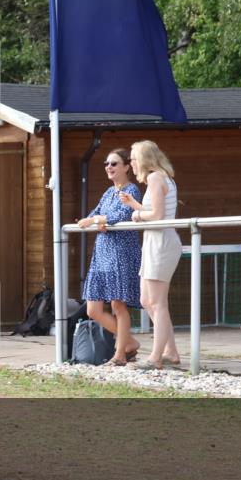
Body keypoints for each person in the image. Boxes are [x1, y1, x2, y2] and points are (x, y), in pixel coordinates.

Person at [76, 148, 143, 366]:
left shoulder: (131, 190)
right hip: (102, 253)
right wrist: (97, 220)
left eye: (114, 163)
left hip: (121, 252)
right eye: (107, 163)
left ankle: (120, 354)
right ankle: (130, 342)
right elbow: (93, 215)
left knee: (118, 305)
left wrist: (98, 220)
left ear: (126, 167)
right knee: (92, 309)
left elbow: (121, 216)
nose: (109, 167)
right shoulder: (108, 192)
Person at [120, 140, 181, 370]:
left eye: (133, 159)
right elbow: (155, 210)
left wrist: (136, 216)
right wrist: (136, 205)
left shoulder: (156, 178)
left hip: (161, 242)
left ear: (143, 160)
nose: (131, 164)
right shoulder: (160, 178)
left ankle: (156, 357)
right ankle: (170, 350)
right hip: (155, 241)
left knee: (157, 302)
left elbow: (156, 215)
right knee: (147, 300)